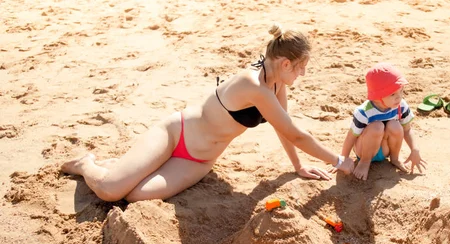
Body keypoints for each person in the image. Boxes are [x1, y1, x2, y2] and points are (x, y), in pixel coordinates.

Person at [61, 24, 355, 202]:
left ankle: (122, 167)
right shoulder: (252, 84)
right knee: (111, 191)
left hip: (199, 160)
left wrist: (298, 166)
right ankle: (86, 163)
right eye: (302, 67)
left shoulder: (276, 83)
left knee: (135, 196)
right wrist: (340, 161)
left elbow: (284, 128)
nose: (304, 74)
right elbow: (296, 133)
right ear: (286, 63)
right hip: (175, 134)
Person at [333, 62, 426, 181]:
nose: (399, 97)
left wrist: (414, 149)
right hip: (364, 150)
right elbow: (351, 136)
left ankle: (395, 158)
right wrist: (343, 158)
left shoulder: (401, 106)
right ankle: (365, 162)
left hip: (386, 148)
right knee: (377, 126)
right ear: (377, 96)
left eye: (401, 91)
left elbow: (407, 130)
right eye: (393, 94)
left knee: (395, 125)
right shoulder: (364, 112)